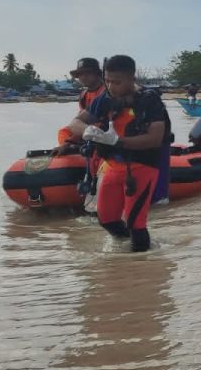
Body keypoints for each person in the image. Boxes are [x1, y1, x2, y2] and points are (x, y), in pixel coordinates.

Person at [65, 55, 173, 252]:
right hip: (113, 166)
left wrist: (117, 141)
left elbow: (155, 138)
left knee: (135, 222)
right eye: (107, 80)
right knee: (106, 219)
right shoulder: (104, 98)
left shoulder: (149, 101)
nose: (111, 86)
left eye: (117, 82)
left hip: (142, 166)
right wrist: (89, 132)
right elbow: (74, 123)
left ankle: (142, 267)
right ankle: (128, 252)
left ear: (132, 78)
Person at [55, 57, 106, 153]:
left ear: (97, 74)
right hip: (86, 129)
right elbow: (81, 122)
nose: (83, 77)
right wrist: (69, 141)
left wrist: (69, 142)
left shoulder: (106, 92)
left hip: (102, 130)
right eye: (80, 74)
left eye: (87, 73)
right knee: (64, 132)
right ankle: (72, 149)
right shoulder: (83, 95)